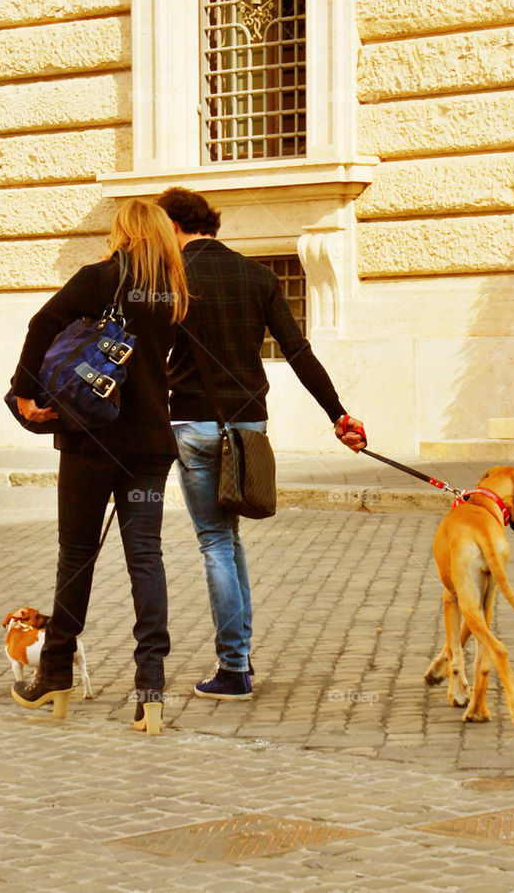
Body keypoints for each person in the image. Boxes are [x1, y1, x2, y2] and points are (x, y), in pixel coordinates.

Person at [158, 186, 367, 701]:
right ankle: (240, 656)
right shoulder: (258, 276)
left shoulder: (169, 280)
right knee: (228, 542)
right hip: (249, 426)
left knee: (215, 542)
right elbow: (298, 352)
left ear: (173, 227)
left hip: (193, 427)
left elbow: (141, 357)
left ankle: (234, 667)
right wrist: (339, 415)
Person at [8, 198, 189, 734]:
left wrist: (24, 392)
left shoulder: (99, 278)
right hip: (150, 447)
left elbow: (41, 325)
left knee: (77, 555)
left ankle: (56, 675)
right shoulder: (172, 293)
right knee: (146, 560)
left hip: (90, 442)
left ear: (124, 233)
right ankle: (150, 690)